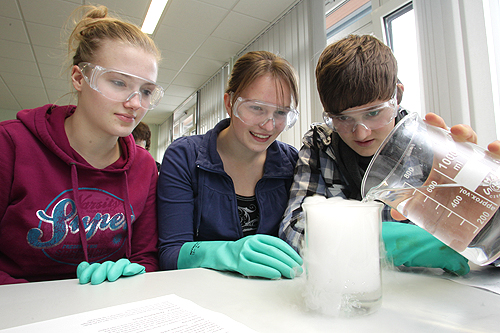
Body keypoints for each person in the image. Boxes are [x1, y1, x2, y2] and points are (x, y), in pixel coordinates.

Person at [280, 34, 496, 276]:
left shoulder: (433, 146)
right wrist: (378, 241)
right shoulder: (321, 144)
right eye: (343, 118)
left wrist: (483, 219)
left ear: (397, 97)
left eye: (373, 113)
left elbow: (489, 252)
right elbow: (295, 233)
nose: (361, 132)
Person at [0, 5, 163, 285]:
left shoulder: (143, 166)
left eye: (146, 91)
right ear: (79, 78)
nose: (135, 103)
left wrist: (130, 278)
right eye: (118, 82)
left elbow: (145, 257)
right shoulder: (11, 144)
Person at [157, 51, 303, 279]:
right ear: (229, 103)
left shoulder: (292, 163)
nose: (268, 125)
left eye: (281, 112)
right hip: (203, 297)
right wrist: (224, 253)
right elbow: (170, 254)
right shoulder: (184, 156)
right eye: (256, 108)